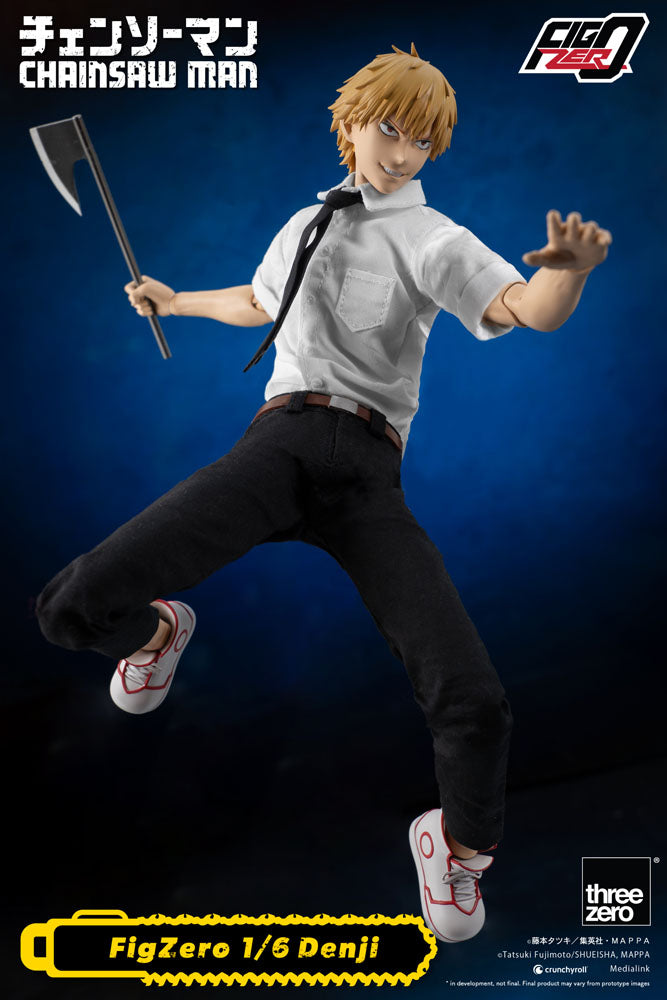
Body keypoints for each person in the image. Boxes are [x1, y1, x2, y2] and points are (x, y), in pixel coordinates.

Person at [35, 44, 611, 943]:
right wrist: (175, 300)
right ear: (350, 125)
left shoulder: (433, 238)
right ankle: (156, 634)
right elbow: (261, 300)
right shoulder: (306, 222)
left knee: (473, 701)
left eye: (421, 142)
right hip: (276, 449)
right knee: (70, 606)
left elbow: (522, 309)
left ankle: (457, 849)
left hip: (366, 473)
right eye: (390, 131)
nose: (402, 154)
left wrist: (565, 271)